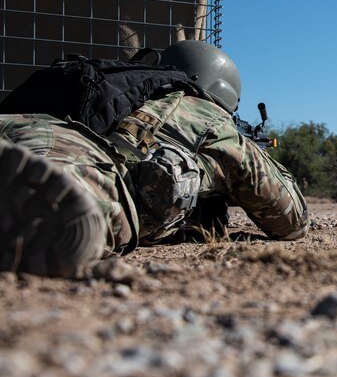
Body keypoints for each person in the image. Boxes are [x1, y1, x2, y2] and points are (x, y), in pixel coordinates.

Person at [0, 40, 309, 278]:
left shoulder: (126, 85)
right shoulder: (213, 120)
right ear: (224, 94)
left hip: (26, 126)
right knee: (79, 208)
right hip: (81, 162)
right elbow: (290, 221)